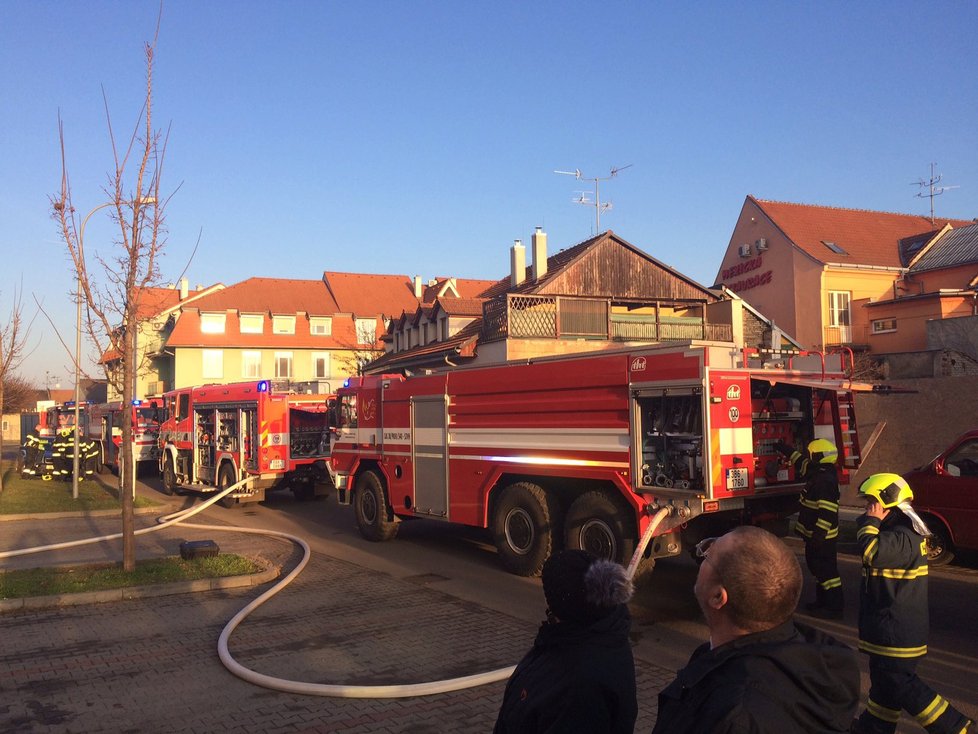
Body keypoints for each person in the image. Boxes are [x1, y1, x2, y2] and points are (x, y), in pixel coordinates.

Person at [652, 526, 859, 733]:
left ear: (718, 597)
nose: (701, 557)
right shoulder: (814, 667)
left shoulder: (732, 717)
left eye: (707, 556)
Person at [851, 473, 972, 734]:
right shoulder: (898, 530)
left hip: (896, 632)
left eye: (871, 502)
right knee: (884, 687)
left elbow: (871, 552)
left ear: (887, 500)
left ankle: (953, 726)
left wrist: (870, 522)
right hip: (889, 628)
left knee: (901, 684)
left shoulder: (902, 534)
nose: (867, 508)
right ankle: (874, 728)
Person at [494, 549, 637, 734]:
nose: (547, 606)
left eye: (550, 604)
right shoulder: (593, 633)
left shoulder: (581, 688)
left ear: (567, 609)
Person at [776, 437, 844, 619]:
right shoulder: (819, 471)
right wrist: (784, 448)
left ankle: (834, 607)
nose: (809, 456)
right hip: (815, 535)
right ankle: (822, 602)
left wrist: (819, 536)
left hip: (823, 537)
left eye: (812, 454)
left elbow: (828, 512)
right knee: (818, 569)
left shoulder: (824, 481)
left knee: (827, 572)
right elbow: (801, 461)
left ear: (818, 456)